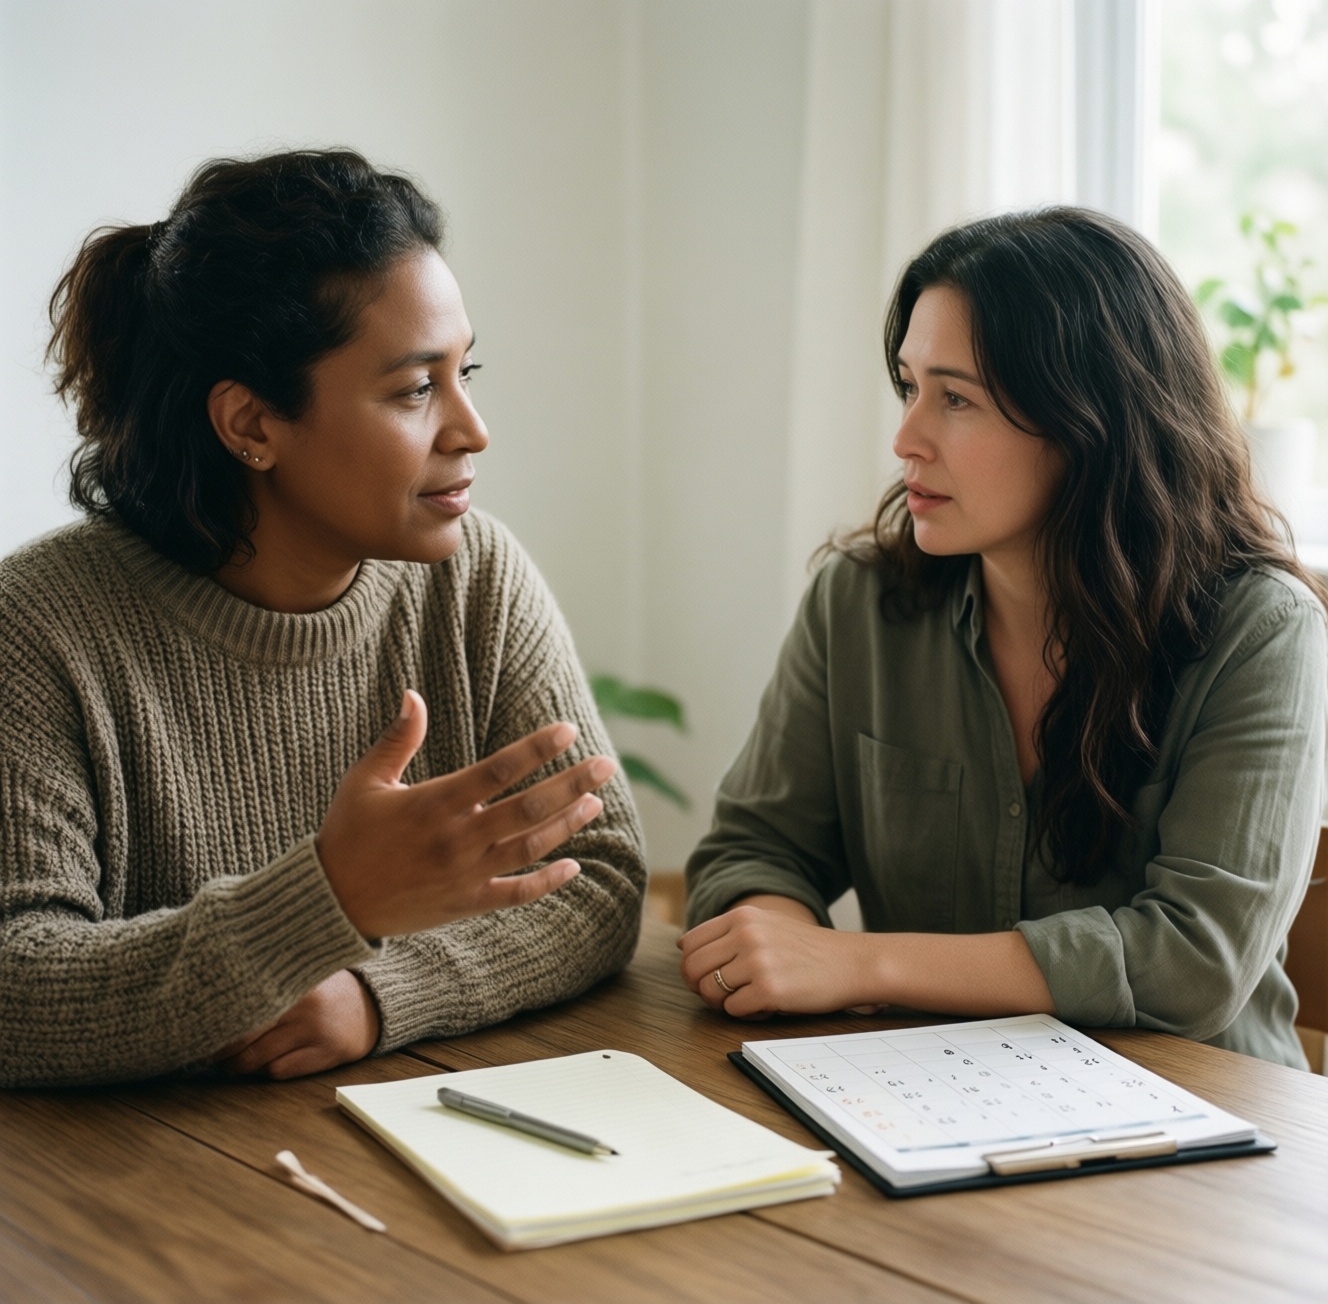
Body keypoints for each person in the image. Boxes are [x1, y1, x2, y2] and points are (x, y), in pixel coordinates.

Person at [0, 149, 645, 1088]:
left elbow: (603, 876)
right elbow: (15, 984)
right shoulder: (38, 632)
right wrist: (324, 900)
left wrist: (380, 995)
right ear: (252, 426)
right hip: (141, 1197)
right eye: (416, 388)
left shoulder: (476, 580)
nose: (472, 428)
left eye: (466, 371)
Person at [680, 206, 1327, 1069]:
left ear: (1089, 422)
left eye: (957, 400)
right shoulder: (860, 603)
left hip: (1208, 1135)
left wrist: (861, 961)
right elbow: (753, 850)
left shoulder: (1262, 633)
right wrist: (777, 939)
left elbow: (1193, 961)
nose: (907, 439)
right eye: (910, 388)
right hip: (924, 1095)